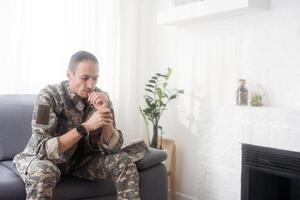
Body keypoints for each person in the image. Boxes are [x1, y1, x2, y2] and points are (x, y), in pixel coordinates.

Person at [13, 50, 147, 200]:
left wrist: (105, 113)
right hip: (45, 160)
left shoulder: (101, 97)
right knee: (42, 172)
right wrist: (86, 126)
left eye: (95, 79)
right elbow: (42, 150)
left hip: (81, 162)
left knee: (124, 160)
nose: (91, 85)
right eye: (85, 78)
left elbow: (113, 149)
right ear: (69, 74)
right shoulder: (48, 96)